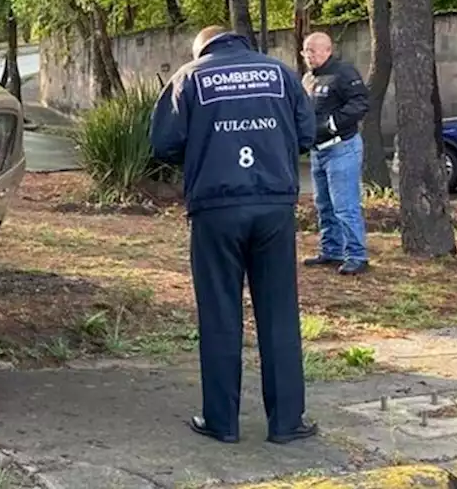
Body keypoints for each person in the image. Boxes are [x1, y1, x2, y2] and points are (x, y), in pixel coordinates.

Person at [150, 26, 317, 444]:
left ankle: (222, 422)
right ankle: (287, 422)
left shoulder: (190, 77)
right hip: (275, 206)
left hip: (216, 209)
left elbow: (163, 143)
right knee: (279, 313)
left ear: (202, 48)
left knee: (220, 312)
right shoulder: (281, 74)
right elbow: (307, 134)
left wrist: (204, 150)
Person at [300, 31, 370, 275]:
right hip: (318, 151)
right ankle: (331, 250)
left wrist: (332, 123)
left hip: (342, 147)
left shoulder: (344, 73)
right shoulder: (309, 78)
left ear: (327, 50)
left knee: (345, 205)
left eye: (313, 50)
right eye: (305, 51)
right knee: (324, 205)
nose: (308, 55)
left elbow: (360, 103)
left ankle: (357, 255)